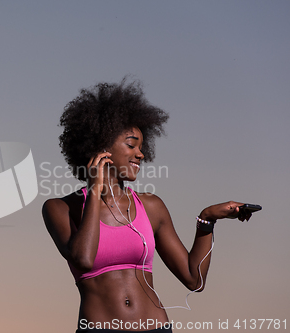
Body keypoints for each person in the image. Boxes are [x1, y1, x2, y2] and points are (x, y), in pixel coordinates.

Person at [42, 77, 252, 333]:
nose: (141, 154)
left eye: (142, 147)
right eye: (131, 145)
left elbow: (193, 279)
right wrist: (95, 189)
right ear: (101, 147)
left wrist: (207, 220)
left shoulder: (151, 206)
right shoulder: (61, 208)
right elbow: (83, 259)